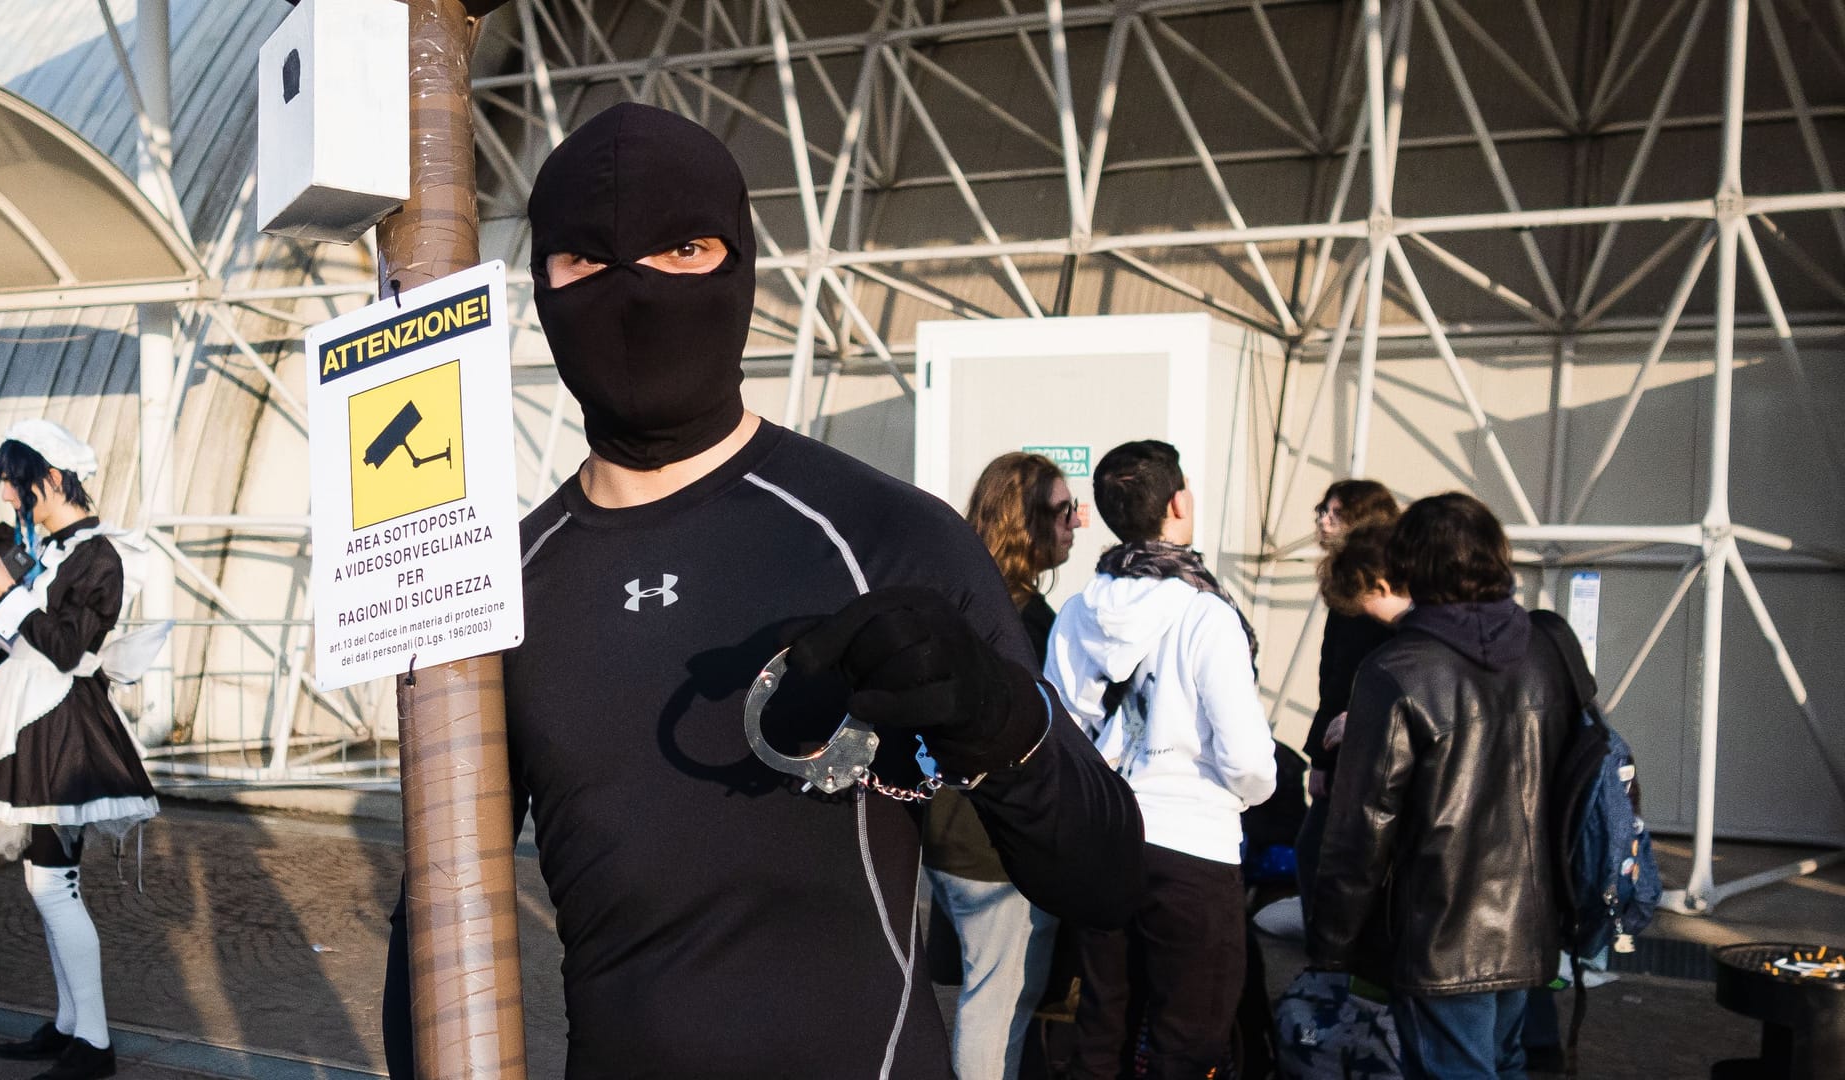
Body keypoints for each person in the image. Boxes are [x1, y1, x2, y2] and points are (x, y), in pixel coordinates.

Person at [381, 103, 1144, 1079]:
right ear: (541, 285)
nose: (635, 293)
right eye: (585, 262)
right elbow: (436, 924)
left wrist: (998, 721)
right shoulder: (501, 586)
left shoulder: (883, 535)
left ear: (739, 260)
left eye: (683, 250)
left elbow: (1108, 873)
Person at [1308, 493, 1579, 1080]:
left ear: (1410, 566)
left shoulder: (1396, 671)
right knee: (1507, 1065)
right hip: (1533, 921)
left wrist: (1332, 943)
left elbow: (1362, 827)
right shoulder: (1550, 646)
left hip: (1440, 933)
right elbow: (1586, 773)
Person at [1047, 439, 1275, 1079]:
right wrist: (1245, 797)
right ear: (1179, 503)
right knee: (1188, 1038)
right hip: (1193, 847)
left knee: (1101, 1029)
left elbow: (1059, 734)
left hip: (1105, 841)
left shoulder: (1075, 615)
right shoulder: (1208, 615)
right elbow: (1249, 759)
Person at [0, 420, 160, 1080]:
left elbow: (68, 648)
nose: (14, 500)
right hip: (38, 730)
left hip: (66, 738)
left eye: (19, 486)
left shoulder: (99, 555)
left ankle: (95, 1046)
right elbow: (23, 639)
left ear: (50, 477)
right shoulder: (55, 552)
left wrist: (9, 592)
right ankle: (73, 1026)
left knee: (54, 886)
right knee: (45, 882)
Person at [926, 451, 1080, 1080]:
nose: (1078, 523)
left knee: (983, 992)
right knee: (999, 1003)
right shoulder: (1022, 623)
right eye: (1065, 510)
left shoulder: (958, 595)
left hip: (947, 829)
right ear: (1026, 522)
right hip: (994, 843)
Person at [1295, 479, 1399, 915]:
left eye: (1336, 513)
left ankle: (1332, 967)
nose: (1323, 520)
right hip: (1348, 745)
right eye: (1322, 509)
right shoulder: (1351, 593)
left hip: (1360, 750)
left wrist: (1323, 759)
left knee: (1320, 854)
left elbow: (1343, 680)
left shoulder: (1367, 599)